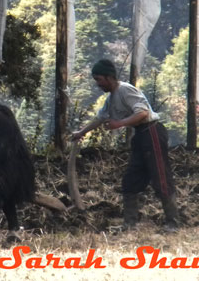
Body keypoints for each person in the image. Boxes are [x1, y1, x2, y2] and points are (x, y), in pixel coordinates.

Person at [71, 59, 179, 232]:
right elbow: (100, 118)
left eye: (99, 79)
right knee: (130, 180)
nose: (98, 84)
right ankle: (130, 224)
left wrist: (119, 123)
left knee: (161, 177)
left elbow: (143, 113)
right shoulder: (111, 98)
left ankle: (172, 223)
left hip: (152, 133)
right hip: (140, 136)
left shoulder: (125, 90)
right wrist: (81, 132)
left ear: (109, 77)